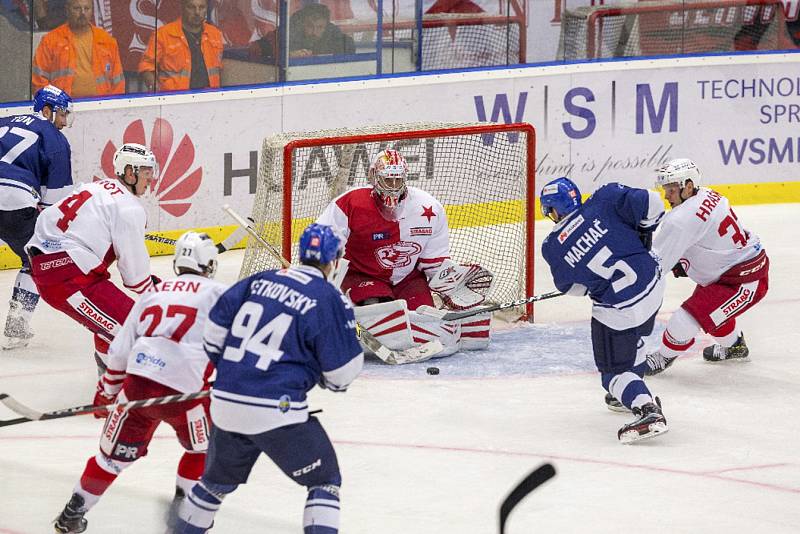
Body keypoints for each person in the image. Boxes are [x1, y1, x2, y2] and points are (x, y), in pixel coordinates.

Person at [173, 223, 364, 534]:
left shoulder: (259, 280)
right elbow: (340, 376)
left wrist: (236, 370)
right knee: (324, 481)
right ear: (335, 260)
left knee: (213, 485)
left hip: (224, 403)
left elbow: (213, 329)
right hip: (277, 410)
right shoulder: (330, 298)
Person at [53, 231, 227, 534]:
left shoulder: (151, 294)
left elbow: (119, 349)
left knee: (110, 460)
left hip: (138, 387)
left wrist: (107, 394)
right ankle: (183, 511)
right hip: (187, 393)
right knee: (204, 450)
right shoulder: (219, 293)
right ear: (208, 263)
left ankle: (72, 513)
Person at [316, 148, 494, 358]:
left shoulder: (429, 208)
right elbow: (321, 242)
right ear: (374, 177)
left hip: (408, 277)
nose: (392, 186)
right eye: (387, 180)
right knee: (380, 311)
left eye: (397, 180)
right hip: (362, 275)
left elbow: (433, 262)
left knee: (426, 317)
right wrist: (320, 281)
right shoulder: (351, 203)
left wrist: (450, 283)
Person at [539, 177, 668, 443]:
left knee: (612, 373)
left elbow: (576, 289)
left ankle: (646, 408)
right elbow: (654, 203)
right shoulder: (606, 198)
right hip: (654, 285)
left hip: (621, 309)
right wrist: (642, 233)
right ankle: (631, 387)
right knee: (636, 338)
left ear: (554, 210)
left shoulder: (552, 247)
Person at [26, 143, 158, 375]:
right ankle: (119, 388)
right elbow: (135, 278)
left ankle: (108, 378)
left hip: (49, 269)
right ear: (130, 172)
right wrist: (158, 292)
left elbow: (47, 220)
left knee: (112, 323)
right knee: (137, 328)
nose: (151, 180)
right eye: (147, 173)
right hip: (69, 279)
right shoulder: (129, 208)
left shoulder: (93, 188)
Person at [645, 159, 770, 376]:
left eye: (672, 190)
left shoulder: (681, 219)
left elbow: (657, 264)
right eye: (666, 189)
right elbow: (703, 238)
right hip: (734, 270)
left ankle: (663, 357)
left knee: (685, 319)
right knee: (712, 315)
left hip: (744, 281)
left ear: (689, 186)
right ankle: (735, 346)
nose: (667, 196)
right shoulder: (710, 194)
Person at [0, 85, 73, 349]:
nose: (64, 122)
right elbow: (55, 205)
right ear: (46, 110)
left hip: (13, 197)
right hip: (14, 202)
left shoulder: (4, 121)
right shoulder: (53, 138)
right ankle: (16, 327)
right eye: (62, 114)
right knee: (35, 259)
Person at [31, 0, 124, 97]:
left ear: (92, 11)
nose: (82, 13)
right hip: (62, 109)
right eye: (77, 8)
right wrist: (53, 104)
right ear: (67, 10)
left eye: (87, 8)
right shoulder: (50, 40)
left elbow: (118, 83)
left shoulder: (107, 41)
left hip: (100, 108)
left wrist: (112, 107)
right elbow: (38, 80)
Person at [139, 0, 224, 92]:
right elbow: (146, 66)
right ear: (182, 8)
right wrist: (156, 91)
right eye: (191, 7)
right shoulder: (163, 35)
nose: (197, 12)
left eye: (202, 7)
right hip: (174, 98)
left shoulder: (215, 34)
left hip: (210, 96)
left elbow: (219, 69)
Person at [249, 2, 355, 64]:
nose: (314, 32)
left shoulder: (332, 32)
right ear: (302, 23)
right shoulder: (287, 32)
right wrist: (286, 55)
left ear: (326, 26)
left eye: (320, 27)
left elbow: (349, 47)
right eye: (310, 26)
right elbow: (256, 47)